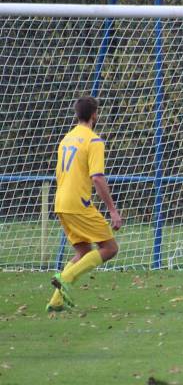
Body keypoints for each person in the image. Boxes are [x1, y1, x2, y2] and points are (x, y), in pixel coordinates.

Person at [47, 96, 123, 312]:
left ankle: (56, 301)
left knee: (82, 251)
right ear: (94, 115)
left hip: (61, 202)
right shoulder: (93, 140)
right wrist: (112, 210)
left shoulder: (66, 139)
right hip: (78, 203)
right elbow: (97, 177)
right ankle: (66, 277)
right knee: (109, 247)